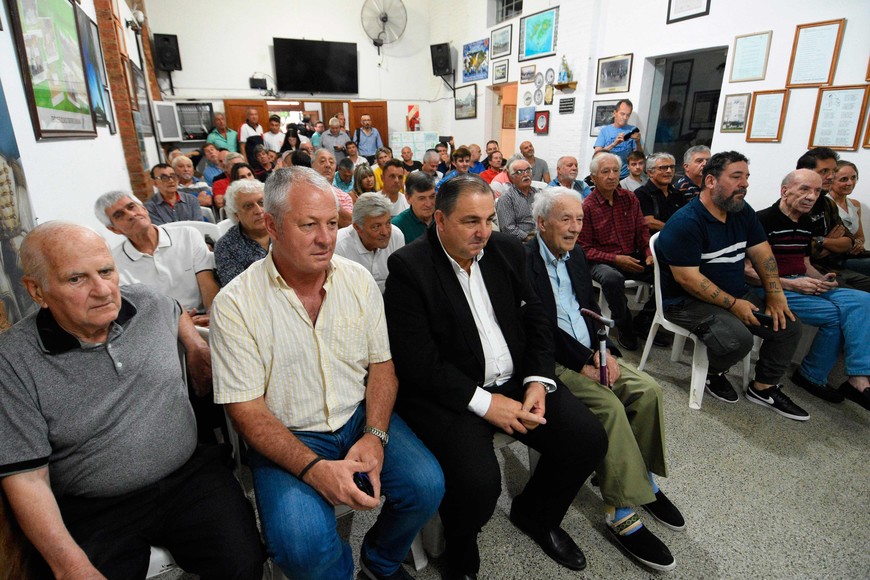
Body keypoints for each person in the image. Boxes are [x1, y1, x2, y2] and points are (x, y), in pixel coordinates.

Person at [210, 167, 444, 579]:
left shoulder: (357, 280)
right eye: (308, 225)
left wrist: (375, 436)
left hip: (355, 417)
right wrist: (314, 470)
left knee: (425, 487)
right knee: (301, 548)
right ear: (271, 225)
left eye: (333, 223)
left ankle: (380, 560)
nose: (325, 238)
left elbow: (382, 367)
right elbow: (245, 409)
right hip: (288, 431)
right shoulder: (235, 303)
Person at [0, 222, 264, 579]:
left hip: (189, 476)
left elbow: (172, 307)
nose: (102, 291)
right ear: (37, 290)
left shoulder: (147, 304)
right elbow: (26, 478)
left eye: (106, 271)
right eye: (76, 279)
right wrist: (69, 565)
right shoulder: (14, 359)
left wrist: (196, 345)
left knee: (242, 563)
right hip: (94, 505)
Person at [383, 174, 607, 578]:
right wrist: (487, 404)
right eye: (471, 221)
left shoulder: (505, 250)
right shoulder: (410, 267)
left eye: (489, 219)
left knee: (587, 439)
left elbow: (538, 319)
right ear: (440, 220)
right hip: (455, 393)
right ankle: (461, 548)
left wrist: (538, 380)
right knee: (478, 484)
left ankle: (536, 515)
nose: (483, 232)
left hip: (516, 380)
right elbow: (419, 363)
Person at [527, 187, 683, 572]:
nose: (575, 227)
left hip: (589, 350)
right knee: (610, 406)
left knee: (648, 390)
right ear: (542, 223)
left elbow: (589, 308)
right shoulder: (523, 259)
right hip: (556, 359)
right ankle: (622, 510)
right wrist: (585, 360)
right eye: (565, 219)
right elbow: (537, 326)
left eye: (579, 219)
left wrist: (605, 349)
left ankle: (643, 481)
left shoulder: (576, 255)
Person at [656, 151, 807, 420]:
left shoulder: (741, 212)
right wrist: (735, 305)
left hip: (735, 292)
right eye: (736, 177)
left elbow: (762, 254)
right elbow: (688, 279)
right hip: (685, 301)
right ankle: (713, 373)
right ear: (711, 181)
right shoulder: (687, 222)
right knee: (738, 339)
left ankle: (763, 387)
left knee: (788, 324)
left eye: (746, 177)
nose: (745, 184)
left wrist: (775, 294)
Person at [753, 169, 870, 410]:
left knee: (864, 300)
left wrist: (821, 280)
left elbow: (804, 264)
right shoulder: (762, 220)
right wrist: (792, 284)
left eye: (817, 191)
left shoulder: (806, 222)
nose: (812, 196)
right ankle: (814, 375)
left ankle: (859, 374)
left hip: (800, 281)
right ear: (785, 191)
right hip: (774, 287)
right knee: (839, 316)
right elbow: (747, 271)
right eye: (805, 189)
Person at [95, 191, 218, 326]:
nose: (131, 215)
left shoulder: (188, 235)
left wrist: (211, 314)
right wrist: (179, 325)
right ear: (114, 229)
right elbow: (137, 312)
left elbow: (207, 282)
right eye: (119, 215)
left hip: (202, 317)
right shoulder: (115, 263)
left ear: (144, 209)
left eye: (131, 207)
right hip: (160, 327)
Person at [578, 153, 654, 351]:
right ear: (593, 178)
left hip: (630, 255)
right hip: (599, 260)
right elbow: (584, 249)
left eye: (615, 171)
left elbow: (641, 229)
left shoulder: (629, 199)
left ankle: (644, 322)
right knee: (612, 278)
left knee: (667, 272)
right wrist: (615, 258)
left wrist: (647, 252)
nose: (612, 176)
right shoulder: (587, 207)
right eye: (605, 172)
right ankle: (625, 326)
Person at [798, 148, 870, 290]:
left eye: (832, 171)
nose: (830, 176)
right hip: (817, 269)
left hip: (836, 263)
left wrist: (822, 240)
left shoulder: (827, 204)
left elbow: (849, 241)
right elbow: (807, 253)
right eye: (825, 171)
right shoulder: (798, 206)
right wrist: (830, 243)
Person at [335, 193, 405, 293]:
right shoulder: (339, 245)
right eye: (376, 226)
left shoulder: (396, 236)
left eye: (388, 223)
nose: (385, 232)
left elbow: (400, 282)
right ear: (357, 227)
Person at [215, 179, 269, 286]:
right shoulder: (226, 246)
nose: (259, 210)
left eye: (261, 203)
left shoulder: (285, 230)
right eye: (248, 206)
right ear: (236, 215)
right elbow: (236, 291)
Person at [829, 161, 870, 272]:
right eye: (844, 179)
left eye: (853, 178)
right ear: (831, 180)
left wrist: (858, 244)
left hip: (853, 254)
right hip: (834, 259)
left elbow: (860, 236)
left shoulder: (855, 204)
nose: (850, 183)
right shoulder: (825, 204)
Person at [593, 99, 643, 180]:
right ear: (615, 113)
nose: (625, 117)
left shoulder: (632, 130)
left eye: (628, 115)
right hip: (607, 175)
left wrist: (638, 142)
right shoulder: (605, 131)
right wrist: (614, 144)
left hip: (626, 176)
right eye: (622, 114)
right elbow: (596, 155)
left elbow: (639, 156)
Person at [633, 152, 683, 233]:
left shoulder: (677, 194)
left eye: (672, 167)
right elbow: (649, 222)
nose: (669, 171)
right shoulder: (641, 194)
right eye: (663, 167)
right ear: (650, 172)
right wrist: (675, 231)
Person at [496, 158, 540, 241]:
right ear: (512, 177)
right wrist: (527, 238)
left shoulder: (538, 193)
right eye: (520, 172)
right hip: (522, 241)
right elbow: (508, 228)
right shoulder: (507, 198)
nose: (526, 174)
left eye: (528, 170)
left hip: (541, 236)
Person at [311, 148, 354, 227]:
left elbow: (348, 223)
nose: (328, 165)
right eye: (322, 161)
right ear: (312, 166)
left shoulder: (344, 196)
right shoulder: (304, 193)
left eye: (331, 162)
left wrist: (329, 197)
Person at [392, 171, 436, 243]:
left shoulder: (444, 218)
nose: (429, 204)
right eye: (422, 198)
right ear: (408, 198)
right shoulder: (397, 226)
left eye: (432, 197)